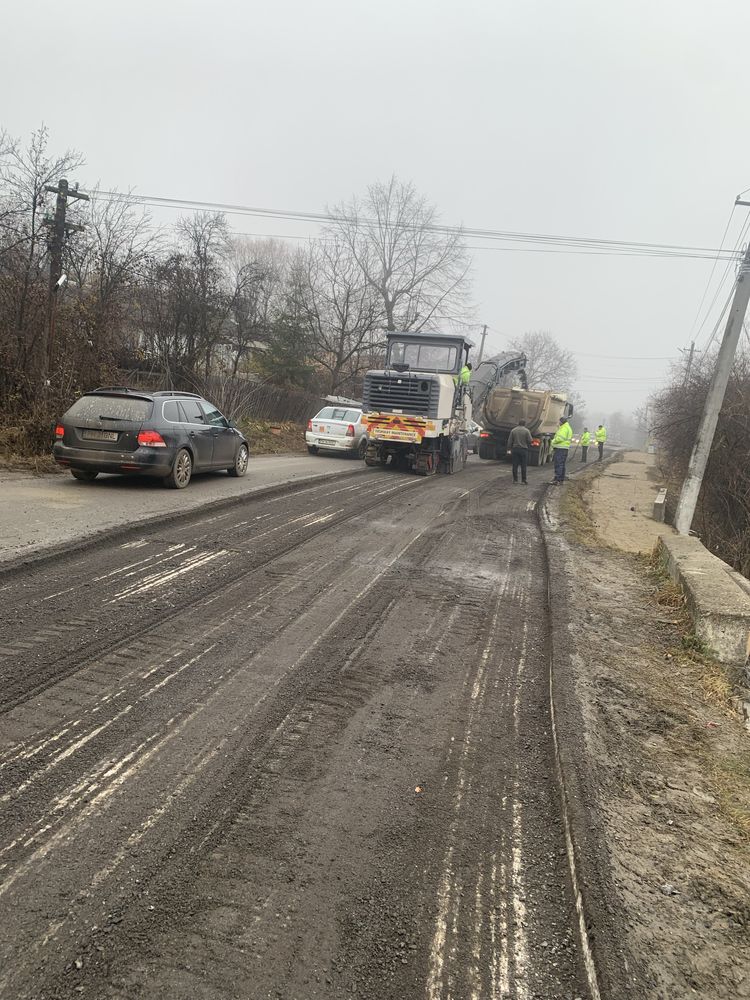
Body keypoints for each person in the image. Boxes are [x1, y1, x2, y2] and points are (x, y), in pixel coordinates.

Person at [507, 419, 533, 484]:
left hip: (515, 449)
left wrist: (509, 449)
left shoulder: (513, 430)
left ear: (518, 423)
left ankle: (515, 480)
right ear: (524, 424)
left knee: (515, 465)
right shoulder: (527, 431)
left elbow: (509, 441)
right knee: (523, 465)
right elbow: (530, 440)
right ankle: (523, 480)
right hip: (523, 450)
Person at [550, 414, 573, 484]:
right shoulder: (567, 427)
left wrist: (553, 441)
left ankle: (558, 479)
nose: (558, 423)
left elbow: (560, 438)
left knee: (558, 464)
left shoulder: (564, 428)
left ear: (562, 422)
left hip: (560, 448)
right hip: (564, 448)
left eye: (559, 421)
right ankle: (560, 479)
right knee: (561, 464)